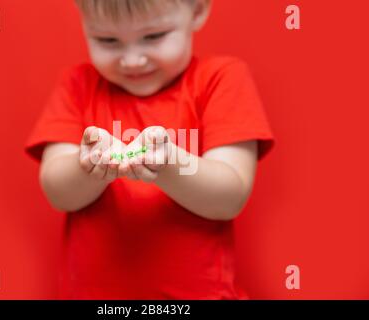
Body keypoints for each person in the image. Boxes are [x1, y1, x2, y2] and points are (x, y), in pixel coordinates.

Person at [24, 0, 275, 299]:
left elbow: (228, 197)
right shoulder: (77, 85)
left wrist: (168, 165)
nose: (132, 60)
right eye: (108, 40)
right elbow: (58, 193)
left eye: (153, 36)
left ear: (197, 11)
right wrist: (88, 167)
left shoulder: (221, 79)